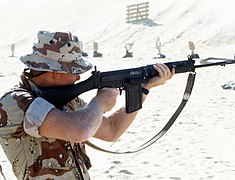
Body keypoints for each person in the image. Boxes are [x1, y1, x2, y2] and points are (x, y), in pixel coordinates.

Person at [0, 30, 174, 179]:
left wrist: (144, 89)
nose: (78, 77)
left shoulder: (68, 101)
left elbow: (112, 130)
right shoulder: (15, 103)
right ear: (54, 72)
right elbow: (80, 131)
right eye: (74, 71)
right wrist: (100, 102)